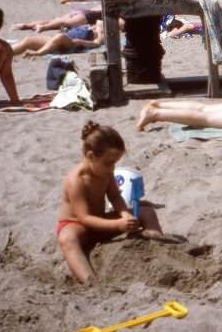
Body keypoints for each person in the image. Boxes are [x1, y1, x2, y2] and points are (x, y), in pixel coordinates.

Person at [57, 121, 171, 284]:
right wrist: (117, 225)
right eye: (109, 162)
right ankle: (90, 281)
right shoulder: (76, 180)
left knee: (147, 211)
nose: (112, 168)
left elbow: (115, 197)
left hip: (101, 222)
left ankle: (158, 244)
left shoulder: (105, 172)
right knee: (67, 238)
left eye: (115, 163)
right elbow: (84, 218)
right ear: (91, 156)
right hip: (79, 226)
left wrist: (125, 216)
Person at [11, 21, 105, 57]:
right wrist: (63, 30)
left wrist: (81, 42)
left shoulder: (101, 34)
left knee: (59, 37)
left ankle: (39, 53)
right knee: (29, 40)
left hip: (69, 44)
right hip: (61, 39)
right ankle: (5, 53)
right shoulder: (91, 26)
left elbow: (96, 43)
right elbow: (98, 22)